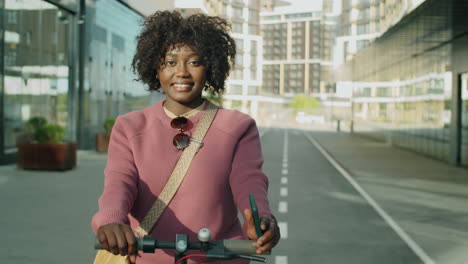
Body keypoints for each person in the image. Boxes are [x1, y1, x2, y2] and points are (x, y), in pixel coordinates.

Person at [92, 10, 280, 264]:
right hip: (147, 257)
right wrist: (111, 220)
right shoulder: (129, 126)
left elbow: (250, 180)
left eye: (194, 62)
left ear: (210, 66)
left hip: (220, 257)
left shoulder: (238, 126)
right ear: (155, 67)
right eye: (170, 62)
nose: (181, 72)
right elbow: (118, 182)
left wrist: (258, 218)